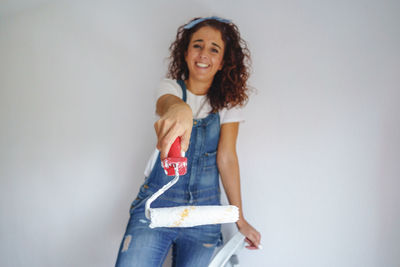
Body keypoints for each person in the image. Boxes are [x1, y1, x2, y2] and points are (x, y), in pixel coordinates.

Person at [115, 16, 261, 267]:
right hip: (158, 205)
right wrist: (179, 110)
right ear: (185, 52)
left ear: (222, 62)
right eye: (197, 45)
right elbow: (167, 105)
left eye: (214, 49)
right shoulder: (170, 88)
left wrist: (241, 219)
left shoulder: (227, 105)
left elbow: (226, 158)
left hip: (205, 212)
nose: (204, 53)